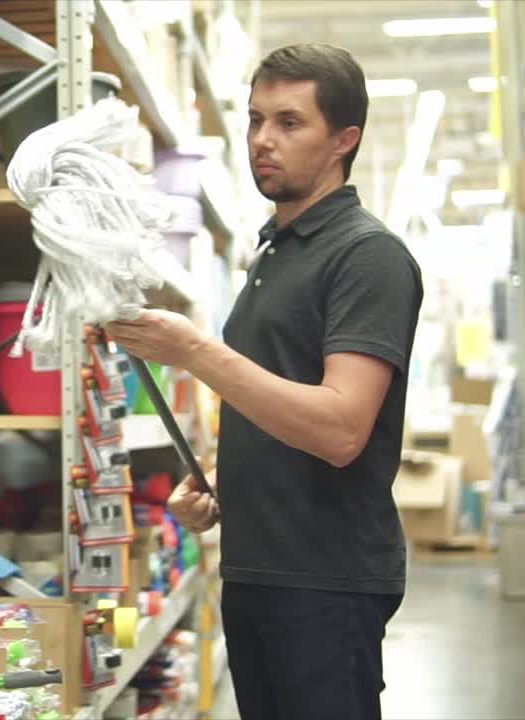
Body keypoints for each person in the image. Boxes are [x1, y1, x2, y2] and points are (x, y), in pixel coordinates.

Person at [107, 43, 424, 720]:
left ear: (345, 139)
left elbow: (341, 429)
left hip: (326, 581)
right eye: (255, 120)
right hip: (258, 570)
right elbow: (277, 403)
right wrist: (224, 483)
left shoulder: (367, 256)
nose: (261, 141)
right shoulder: (274, 252)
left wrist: (193, 349)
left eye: (288, 122)